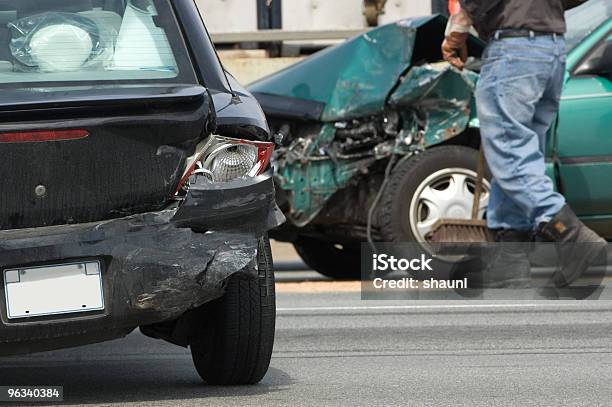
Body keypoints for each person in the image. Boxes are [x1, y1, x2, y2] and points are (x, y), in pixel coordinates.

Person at [441, 0, 607, 289]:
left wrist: (460, 25)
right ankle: (510, 257)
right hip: (551, 48)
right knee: (519, 156)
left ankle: (571, 236)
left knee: (510, 156)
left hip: (515, 49)